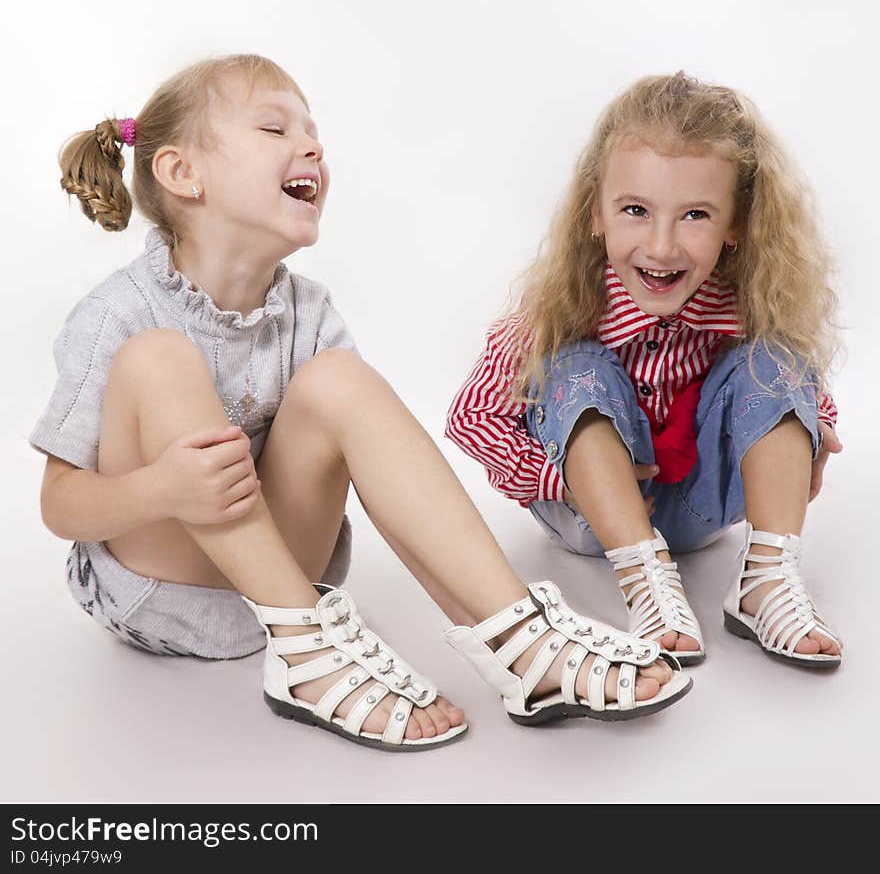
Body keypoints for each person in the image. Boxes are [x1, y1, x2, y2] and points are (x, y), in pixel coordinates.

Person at [30, 54, 691, 754]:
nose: (310, 147)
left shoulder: (309, 314)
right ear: (182, 173)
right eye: (274, 128)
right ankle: (306, 652)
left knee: (339, 379)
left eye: (312, 133)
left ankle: (525, 638)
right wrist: (159, 488)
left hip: (289, 571)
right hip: (162, 582)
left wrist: (490, 623)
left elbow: (392, 491)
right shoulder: (119, 311)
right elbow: (60, 504)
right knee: (158, 359)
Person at [447, 71, 843, 669]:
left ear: (736, 225)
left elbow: (804, 387)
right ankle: (645, 575)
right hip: (589, 518)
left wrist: (809, 432)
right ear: (595, 214)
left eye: (695, 216)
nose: (661, 247)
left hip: (699, 510)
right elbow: (472, 417)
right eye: (636, 210)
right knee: (574, 363)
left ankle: (765, 579)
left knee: (775, 362)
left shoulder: (746, 304)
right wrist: (561, 481)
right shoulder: (564, 303)